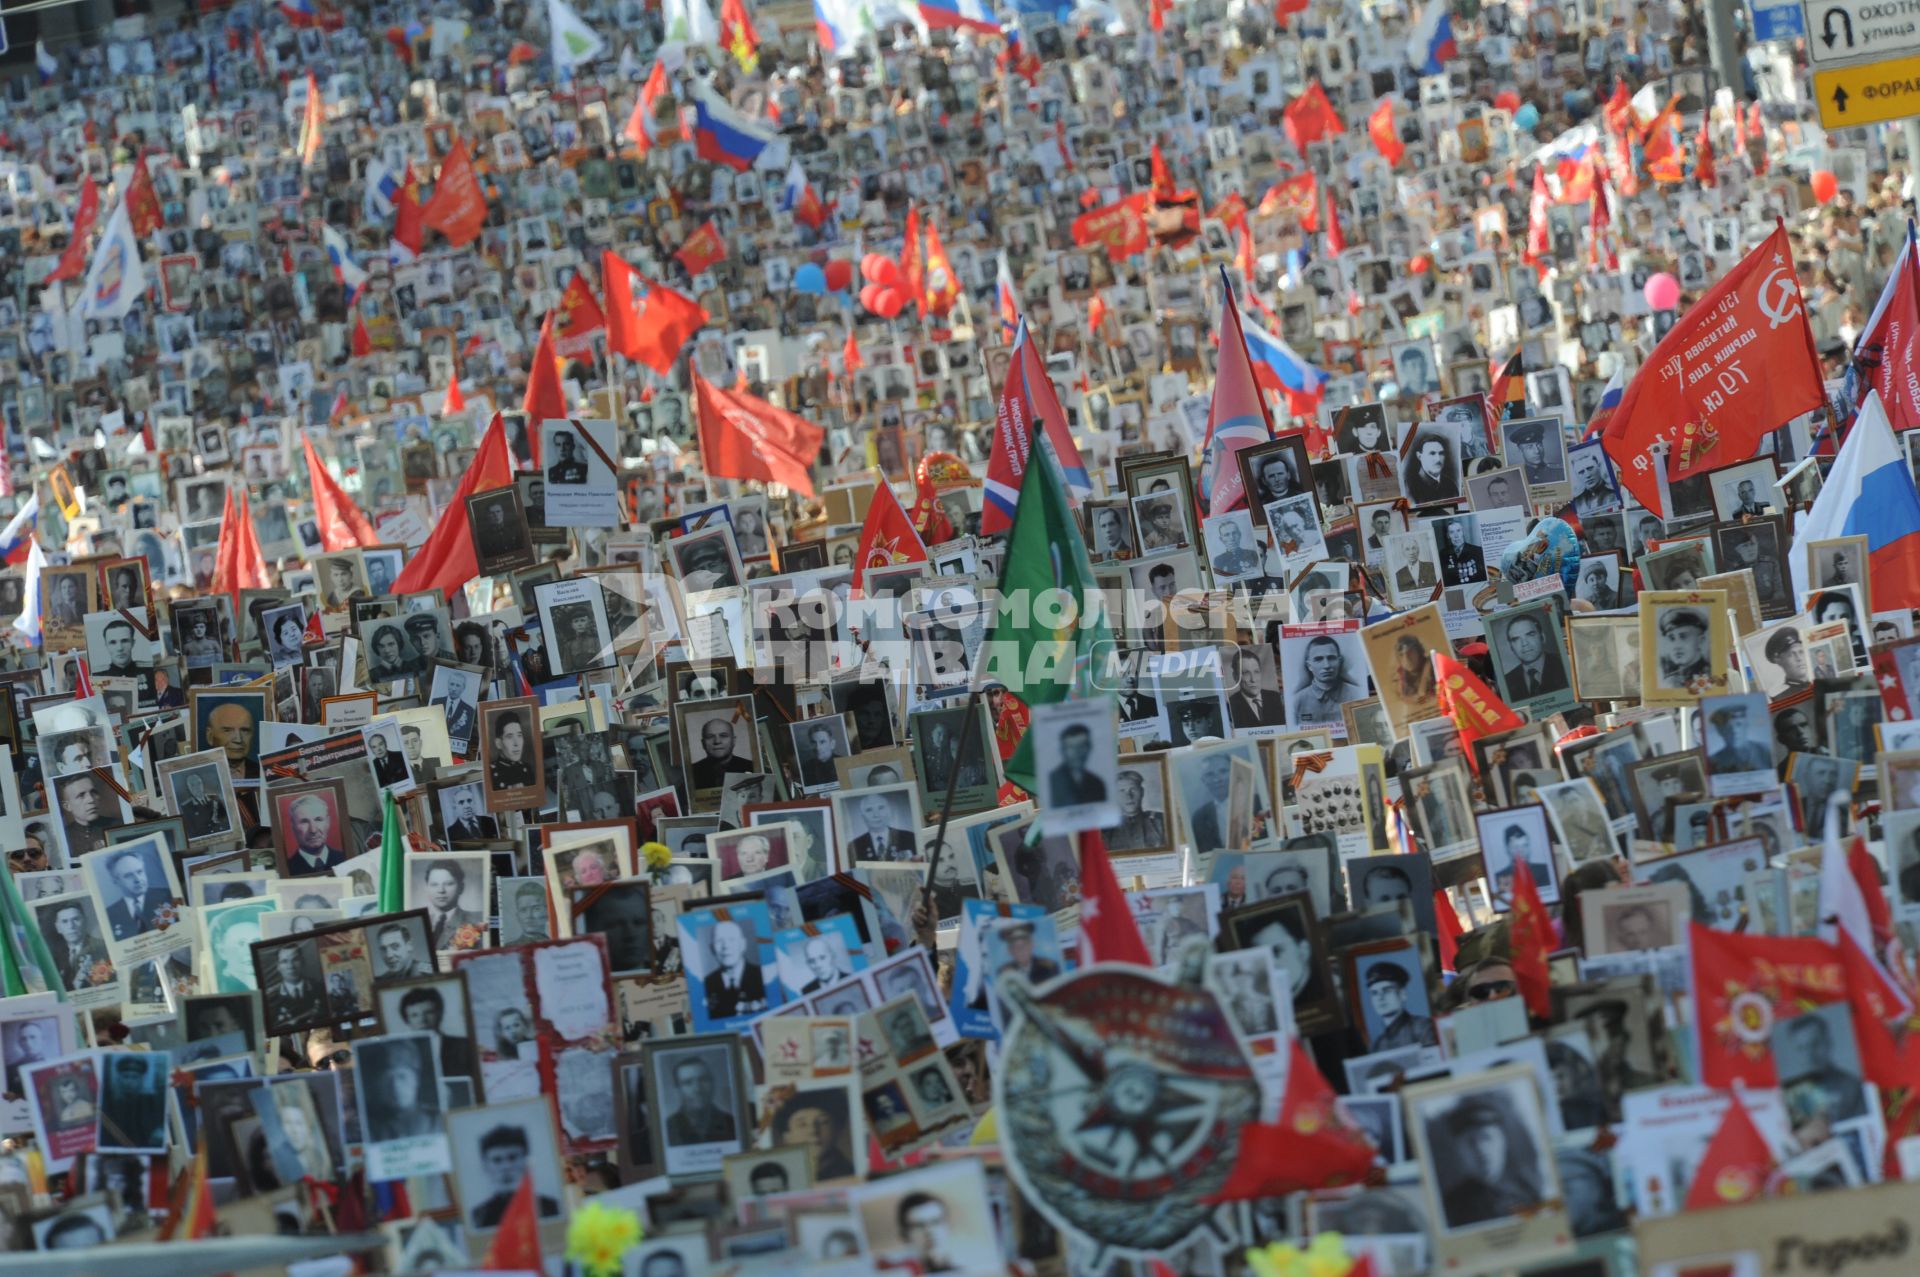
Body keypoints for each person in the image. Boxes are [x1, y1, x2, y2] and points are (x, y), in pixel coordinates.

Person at [1435, 1093, 1544, 1227]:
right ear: (1459, 1151)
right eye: (1470, 1142)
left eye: (1487, 1138)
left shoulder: (1530, 1189)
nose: (1481, 1150)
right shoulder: (1450, 1206)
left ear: (1503, 1142)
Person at [471, 1124, 560, 1226]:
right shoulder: (477, 1217)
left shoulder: (552, 1208)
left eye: (512, 1158)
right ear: (485, 1166)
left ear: (526, 1161)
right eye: (497, 1160)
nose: (506, 1167)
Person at [665, 1053, 737, 1144]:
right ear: (677, 1089)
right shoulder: (666, 1129)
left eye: (703, 1080)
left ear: (713, 1083)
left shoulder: (733, 1124)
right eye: (688, 1083)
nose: (697, 1089)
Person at [702, 919, 767, 1019]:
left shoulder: (764, 976)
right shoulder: (705, 985)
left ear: (742, 944)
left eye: (731, 939)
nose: (726, 946)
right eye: (719, 941)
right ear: (712, 948)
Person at [776, 1097, 854, 1179]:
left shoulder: (851, 1173)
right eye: (802, 1124)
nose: (813, 1131)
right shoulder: (781, 1177)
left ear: (838, 1128)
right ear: (786, 1136)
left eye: (822, 1122)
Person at [1364, 961, 1436, 1048]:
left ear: (1402, 994)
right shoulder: (1378, 1044)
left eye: (1386, 990)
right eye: (1374, 993)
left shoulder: (1423, 1027)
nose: (1380, 998)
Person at [102, 850, 170, 940]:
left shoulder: (168, 896)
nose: (138, 879)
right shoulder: (109, 915)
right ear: (115, 881)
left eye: (140, 872)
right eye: (128, 875)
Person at [1291, 636, 1360, 723]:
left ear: (1339, 661)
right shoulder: (1297, 701)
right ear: (1309, 666)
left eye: (1331, 658)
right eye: (1318, 659)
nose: (1326, 665)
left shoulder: (1357, 694)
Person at [1498, 613, 1567, 700]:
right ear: (1511, 646)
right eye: (1516, 639)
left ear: (1542, 637)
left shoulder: (1566, 665)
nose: (1524, 643)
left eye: (1530, 635)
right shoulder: (1506, 682)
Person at [420, 861, 483, 950]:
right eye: (434, 884)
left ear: (461, 887)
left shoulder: (478, 920)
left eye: (449, 884)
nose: (441, 890)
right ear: (427, 889)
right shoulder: (420, 923)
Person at [46, 902, 108, 992]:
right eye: (65, 921)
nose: (71, 926)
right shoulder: (54, 956)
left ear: (85, 921)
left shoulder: (102, 948)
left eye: (76, 919)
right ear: (58, 927)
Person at [1046, 722, 1107, 807]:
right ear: (1063, 750)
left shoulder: (1098, 783)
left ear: (1089, 748)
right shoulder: (1051, 781)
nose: (1077, 753)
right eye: (1071, 747)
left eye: (1081, 746)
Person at [284, 794, 347, 875]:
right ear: (293, 826)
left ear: (328, 822)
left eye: (318, 819)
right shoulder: (286, 870)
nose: (313, 830)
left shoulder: (346, 859)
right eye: (304, 821)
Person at [1225, 645, 1285, 729]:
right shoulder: (1231, 705)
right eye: (1246, 673)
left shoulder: (1275, 698)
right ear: (1235, 676)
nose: (1253, 679)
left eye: (1256, 672)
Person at [1108, 769, 1167, 851]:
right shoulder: (1107, 829)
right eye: (1122, 791)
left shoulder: (1161, 822)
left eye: (1133, 789)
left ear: (1142, 792)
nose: (1128, 796)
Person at [688, 717, 754, 789]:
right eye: (710, 737)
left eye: (723, 735)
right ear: (703, 743)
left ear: (733, 741)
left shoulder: (752, 768)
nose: (717, 741)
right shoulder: (690, 773)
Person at [847, 792, 916, 860]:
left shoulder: (909, 838)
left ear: (888, 811)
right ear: (862, 816)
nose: (876, 815)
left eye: (880, 808)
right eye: (869, 810)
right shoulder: (854, 847)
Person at [1706, 704, 1773, 774]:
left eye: (1738, 725)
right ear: (1720, 731)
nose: (1734, 731)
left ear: (1746, 725)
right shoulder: (1713, 761)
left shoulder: (1766, 751)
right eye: (1728, 727)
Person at [1657, 608, 1711, 687]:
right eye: (1671, 638)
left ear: (1701, 640)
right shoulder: (1669, 680)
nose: (1676, 646)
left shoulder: (1711, 675)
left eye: (1684, 637)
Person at [1403, 432, 1457, 503]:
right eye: (1432, 453)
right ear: (1419, 456)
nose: (1438, 459)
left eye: (1441, 453)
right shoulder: (1409, 487)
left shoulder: (1451, 485)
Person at [489, 712, 535, 789]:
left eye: (519, 736)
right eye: (509, 737)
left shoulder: (526, 769)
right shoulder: (490, 772)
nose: (516, 743)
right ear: (498, 743)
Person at [1763, 625, 1812, 694]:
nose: (1799, 658)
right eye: (1791, 654)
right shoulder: (1779, 695)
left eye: (1801, 652)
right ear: (1778, 660)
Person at [1437, 517, 1484, 586]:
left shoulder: (1478, 550)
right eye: (1452, 532)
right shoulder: (1443, 554)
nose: (1456, 535)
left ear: (1463, 532)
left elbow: (1482, 577)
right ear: (1448, 535)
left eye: (1458, 530)